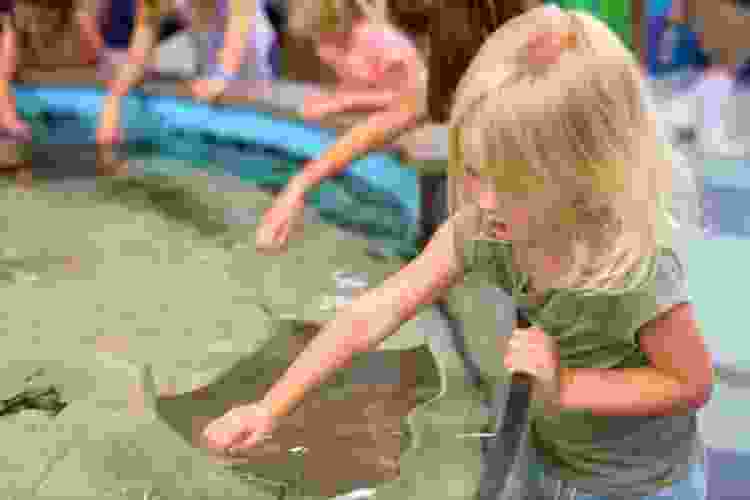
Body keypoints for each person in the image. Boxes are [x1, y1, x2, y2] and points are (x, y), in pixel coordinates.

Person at [204, 6, 714, 499]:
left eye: (513, 183)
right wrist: (270, 407)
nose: (484, 203)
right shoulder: (485, 228)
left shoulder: (632, 264)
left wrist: (570, 386)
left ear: (581, 171)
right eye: (474, 171)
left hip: (646, 483)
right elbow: (371, 314)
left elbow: (688, 381)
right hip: (553, 460)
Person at [96, 0, 277, 145]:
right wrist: (114, 98)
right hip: (211, 62)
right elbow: (143, 38)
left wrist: (222, 76)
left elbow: (240, 19)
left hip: (256, 62)